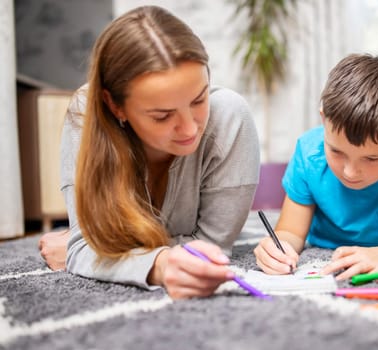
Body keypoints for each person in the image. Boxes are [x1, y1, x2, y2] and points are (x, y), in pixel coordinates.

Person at [38, 5, 260, 299]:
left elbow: (212, 248)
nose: (190, 129)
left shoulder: (230, 117)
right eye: (162, 116)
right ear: (115, 106)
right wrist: (159, 264)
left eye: (198, 99)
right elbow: (85, 247)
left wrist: (107, 253)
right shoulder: (86, 114)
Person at [254, 53, 378, 280]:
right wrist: (276, 249)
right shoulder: (308, 153)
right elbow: (290, 232)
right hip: (326, 248)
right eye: (336, 151)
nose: (350, 172)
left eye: (371, 158)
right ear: (324, 120)